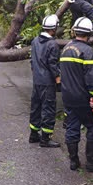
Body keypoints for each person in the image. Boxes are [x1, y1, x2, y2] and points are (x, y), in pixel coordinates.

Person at [60, 17, 93, 172]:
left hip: (68, 97)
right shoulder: (88, 52)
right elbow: (92, 79)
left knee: (72, 128)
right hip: (84, 99)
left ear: (75, 31)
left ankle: (74, 162)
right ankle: (92, 163)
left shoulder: (66, 48)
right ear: (89, 34)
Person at [29, 14, 61, 148]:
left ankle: (34, 135)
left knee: (36, 107)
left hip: (37, 81)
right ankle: (45, 139)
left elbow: (32, 61)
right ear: (53, 29)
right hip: (47, 82)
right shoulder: (53, 44)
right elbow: (53, 64)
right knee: (48, 109)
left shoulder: (35, 41)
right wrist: (58, 80)